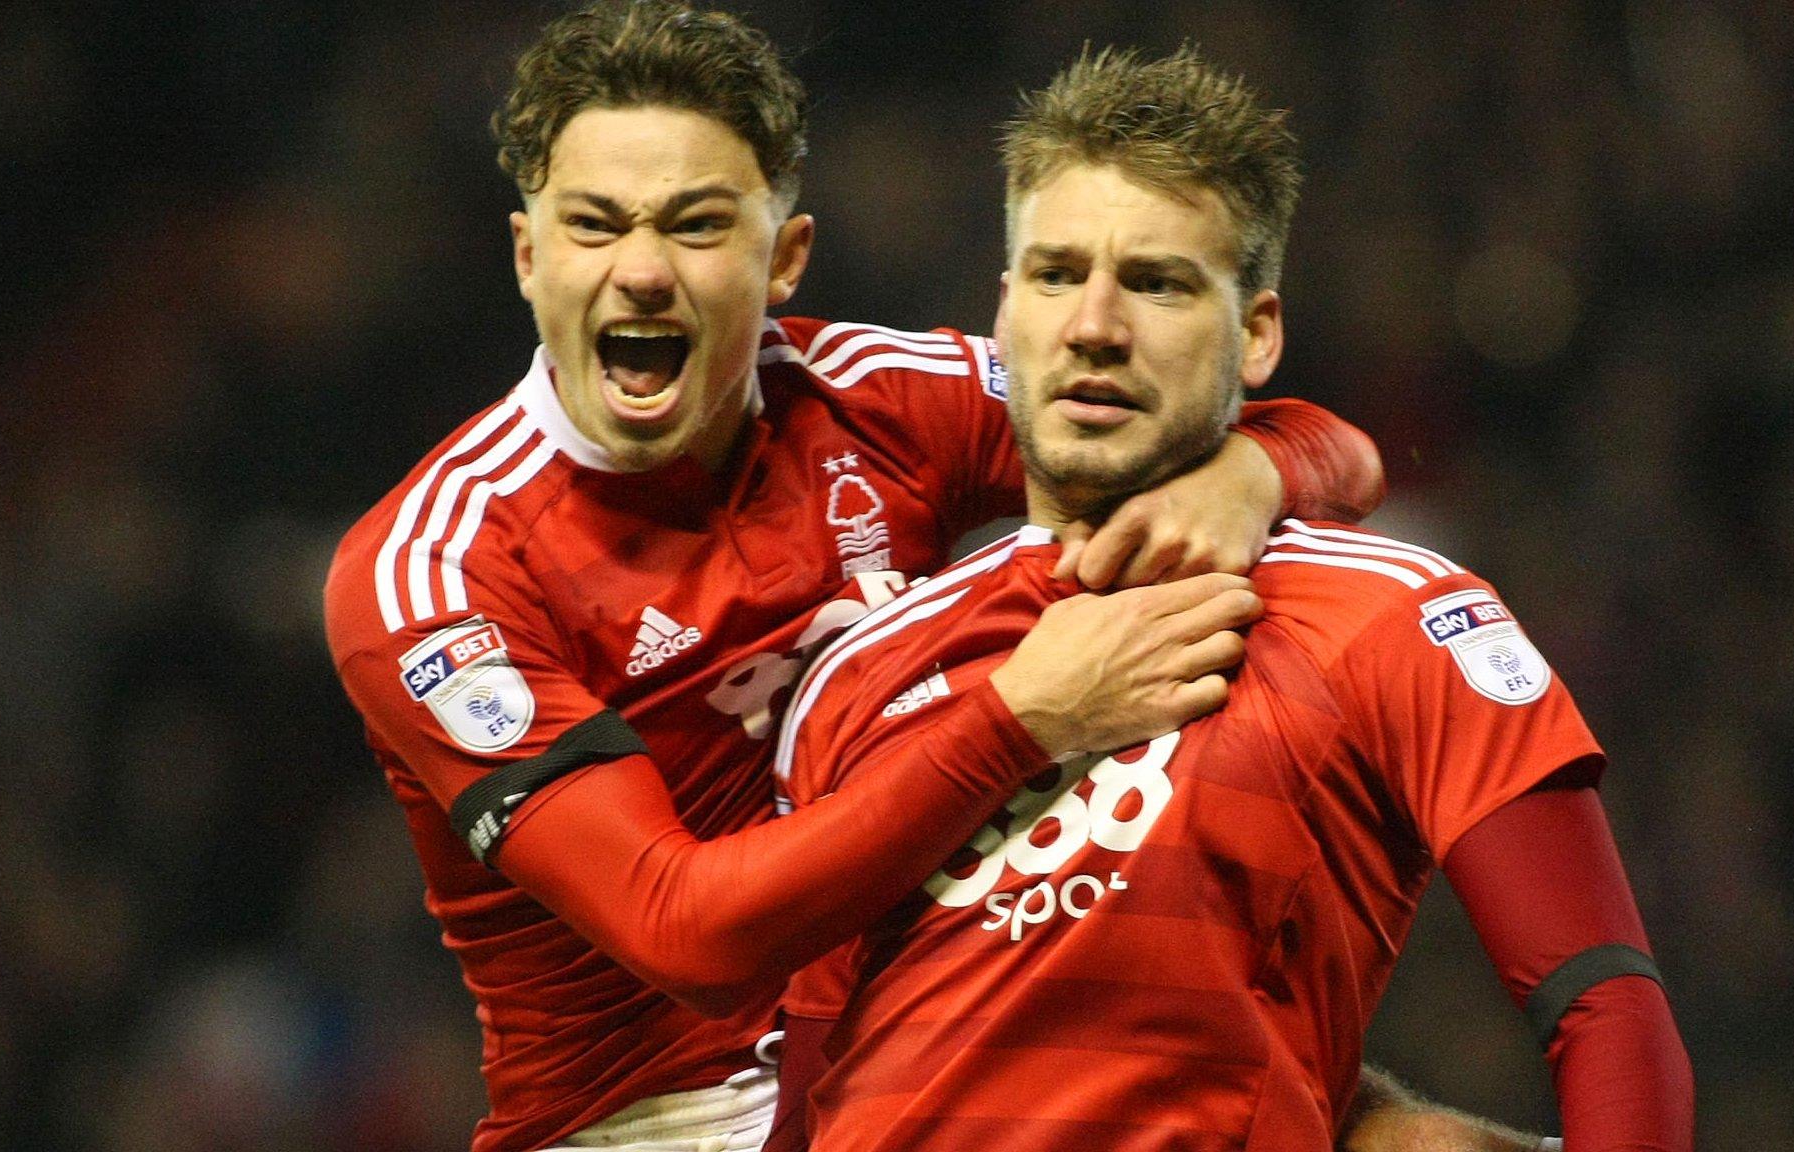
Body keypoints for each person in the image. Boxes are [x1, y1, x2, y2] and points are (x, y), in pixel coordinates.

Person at [321, 4, 1406, 1150]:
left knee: (1382, 1123)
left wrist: (1246, 471)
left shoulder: (880, 397)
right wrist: (1020, 721)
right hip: (663, 1116)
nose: (639, 271)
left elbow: (1317, 445)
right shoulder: (433, 571)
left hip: (923, 1005)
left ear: (781, 257)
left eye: (694, 226)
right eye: (593, 227)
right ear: (528, 256)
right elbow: (679, 928)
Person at [768, 44, 1695, 1152]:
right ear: (1006, 311)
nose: (1095, 325)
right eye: (1057, 275)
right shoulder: (857, 676)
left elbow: (1607, 1013)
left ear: (1255, 334)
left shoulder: (1389, 614)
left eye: (1156, 283)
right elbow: (806, 1091)